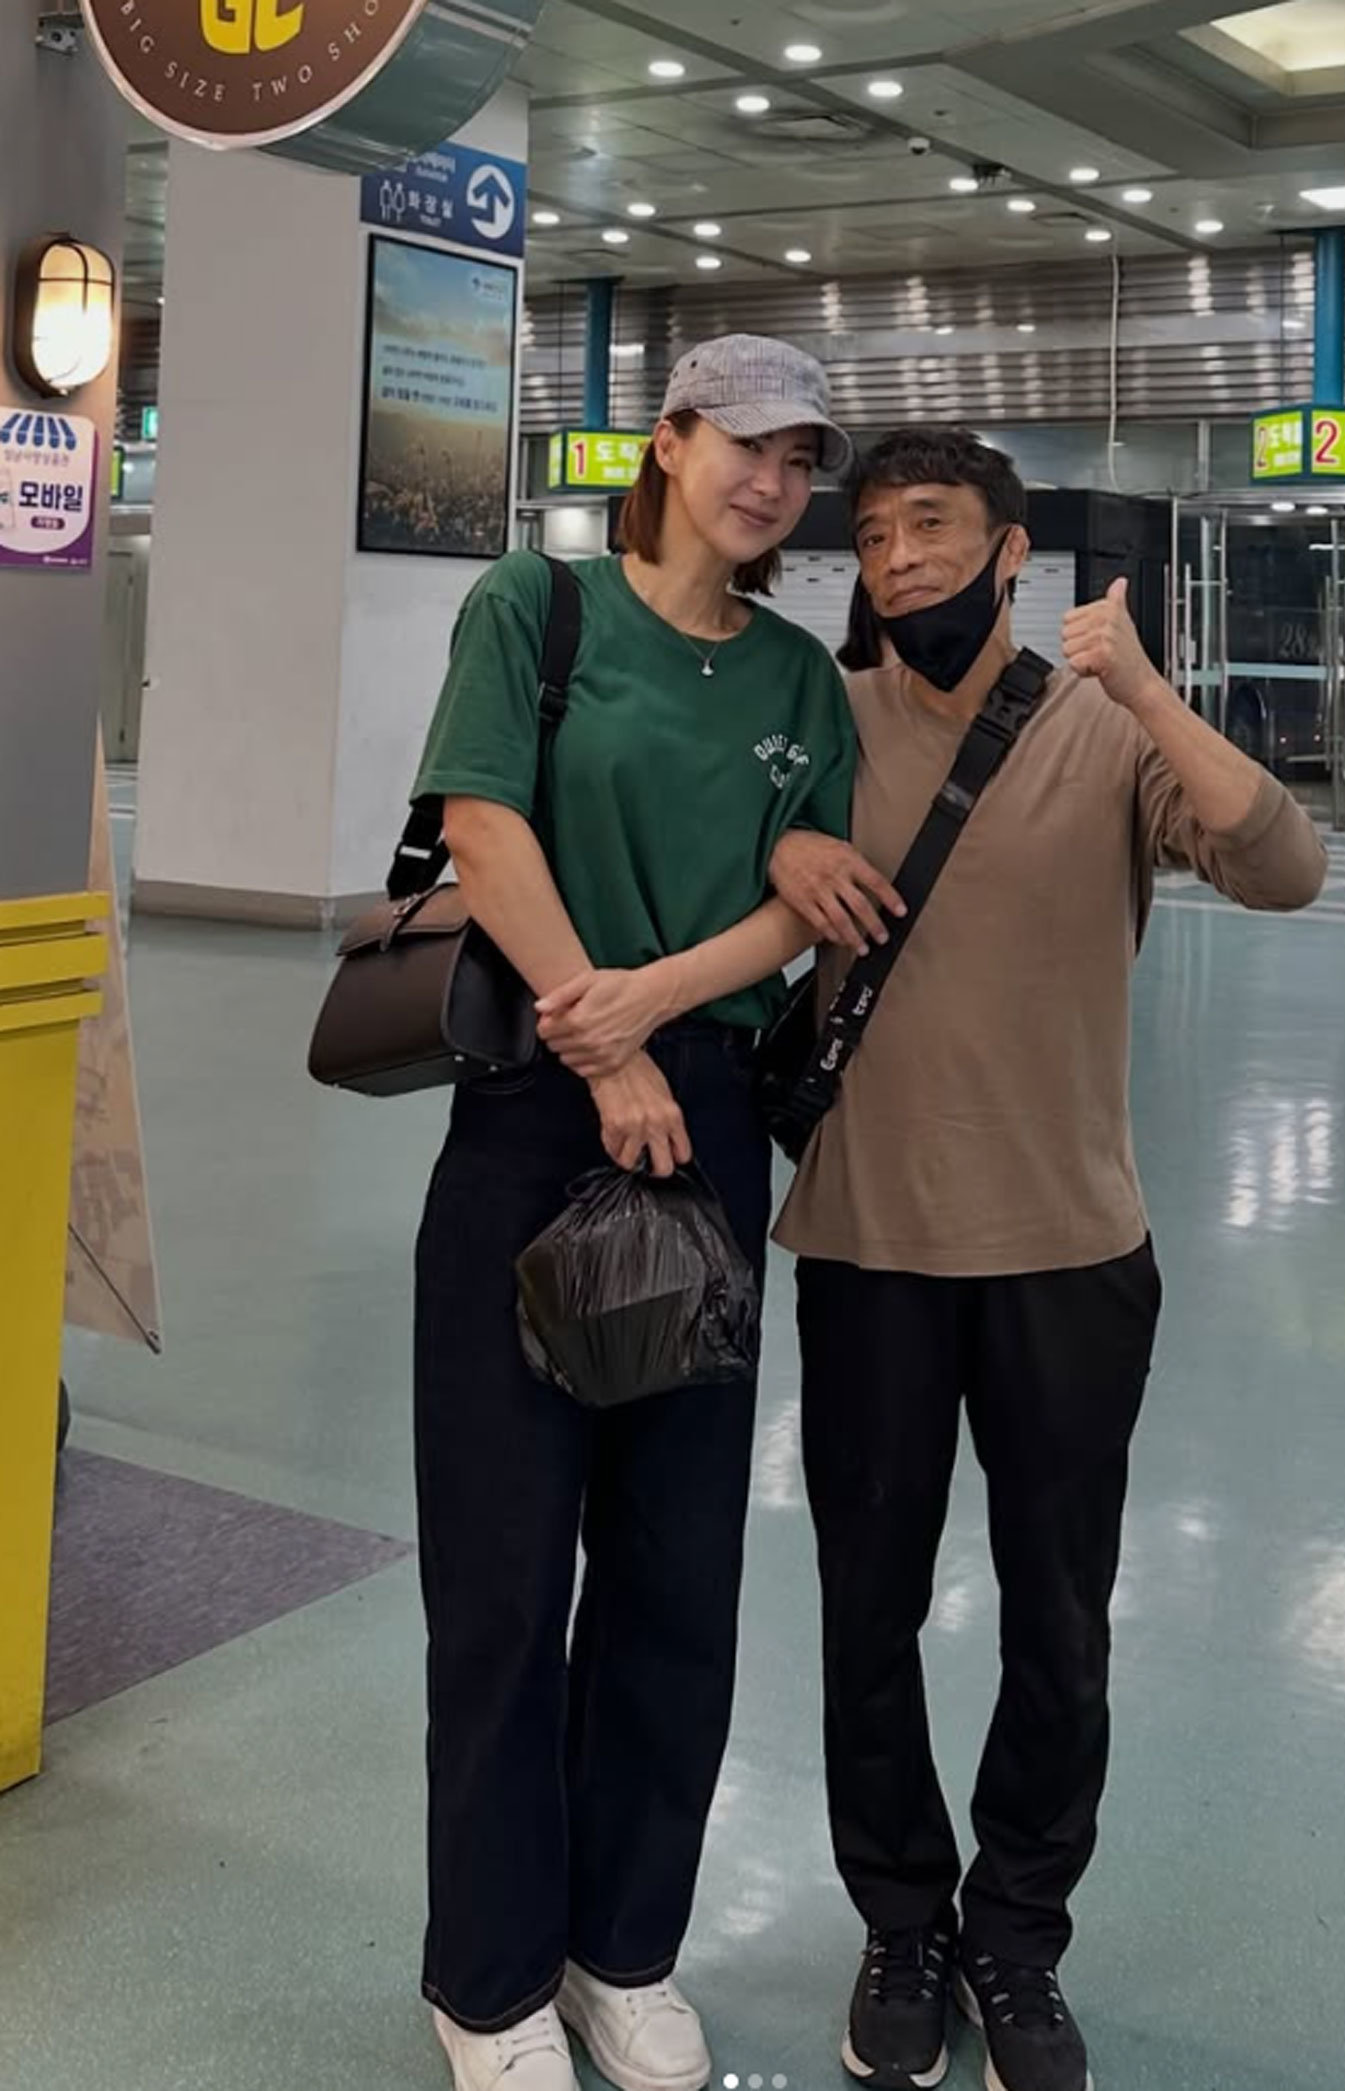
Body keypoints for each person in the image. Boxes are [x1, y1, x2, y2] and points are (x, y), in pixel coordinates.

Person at [769, 428, 1328, 2091]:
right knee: (867, 1611)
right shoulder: (821, 721)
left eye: (933, 527)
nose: (900, 561)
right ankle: (901, 1922)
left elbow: (1285, 867)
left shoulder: (1104, 728)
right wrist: (782, 851)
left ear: (1014, 551)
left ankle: (1016, 1937)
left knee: (1060, 1622)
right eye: (876, 536)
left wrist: (1145, 688)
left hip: (1070, 1248)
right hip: (868, 1246)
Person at [411, 336, 877, 2091]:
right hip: (537, 1108)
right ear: (667, 443)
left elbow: (808, 901)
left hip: (709, 1119)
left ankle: (625, 1949)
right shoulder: (537, 609)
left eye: (802, 460)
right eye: (746, 444)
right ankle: (486, 1980)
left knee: (679, 1565)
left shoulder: (798, 678)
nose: (774, 482)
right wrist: (600, 1040)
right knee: (506, 1568)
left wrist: (657, 1011)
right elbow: (483, 830)